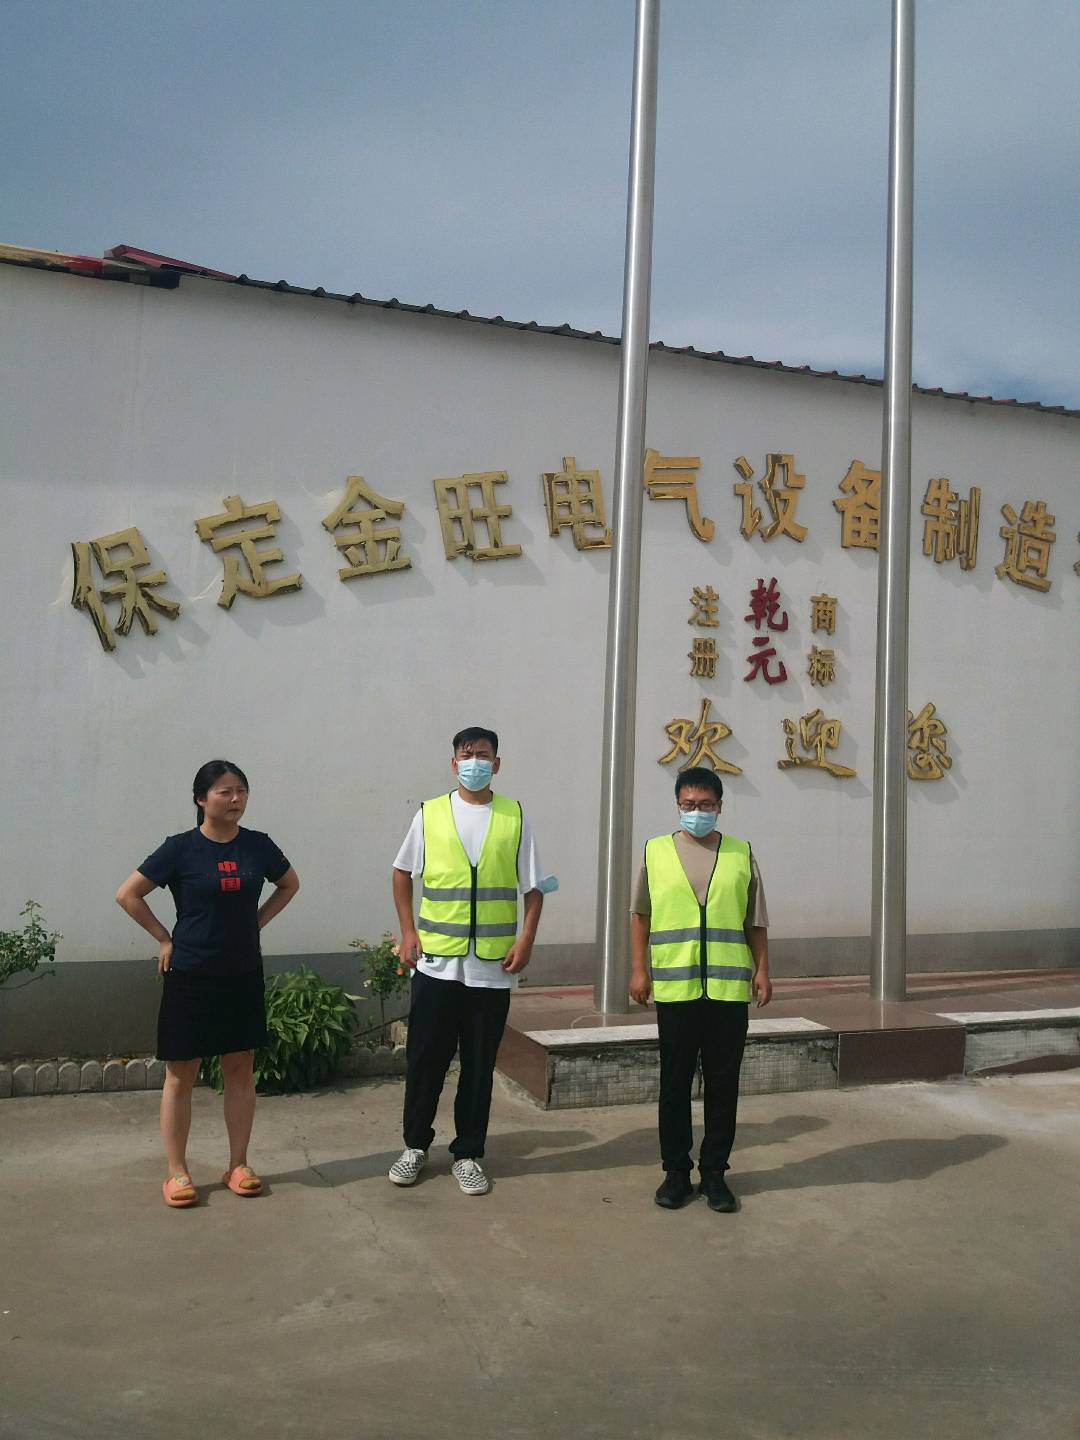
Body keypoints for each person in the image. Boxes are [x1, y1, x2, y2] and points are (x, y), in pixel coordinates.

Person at [115, 760, 299, 1208]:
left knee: (239, 1068)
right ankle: (177, 1172)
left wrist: (256, 923)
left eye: (241, 791)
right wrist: (164, 939)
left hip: (241, 972)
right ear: (201, 799)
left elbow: (289, 884)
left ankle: (238, 1164)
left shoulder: (258, 845)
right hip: (191, 973)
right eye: (224, 791)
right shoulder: (180, 849)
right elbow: (128, 894)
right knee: (181, 1073)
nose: (235, 799)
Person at [389, 726, 547, 1195]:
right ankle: (414, 1146)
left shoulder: (514, 815)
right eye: (467, 754)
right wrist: (408, 932)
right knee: (425, 1060)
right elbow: (401, 871)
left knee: (479, 1067)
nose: (474, 761)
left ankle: (468, 1154)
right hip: (437, 962)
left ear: (497, 764)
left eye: (483, 754)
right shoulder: (430, 813)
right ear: (454, 762)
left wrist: (526, 939)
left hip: (491, 968)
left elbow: (534, 887)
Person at [629, 766, 771, 1213]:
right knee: (674, 1084)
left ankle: (714, 1174)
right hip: (676, 988)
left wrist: (763, 971)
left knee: (723, 1085)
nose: (697, 811)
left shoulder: (740, 853)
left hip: (728, 991)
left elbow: (755, 920)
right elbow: (640, 916)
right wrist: (639, 970)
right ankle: (675, 1172)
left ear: (720, 807)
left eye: (706, 804)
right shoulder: (655, 851)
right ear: (678, 805)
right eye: (689, 804)